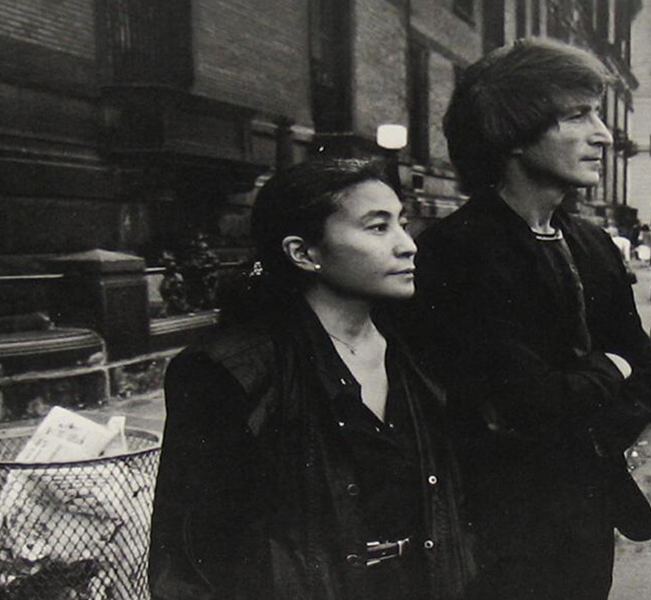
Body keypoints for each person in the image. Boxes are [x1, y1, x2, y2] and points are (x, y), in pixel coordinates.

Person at [405, 38, 651, 599]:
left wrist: (602, 401)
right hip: (496, 527)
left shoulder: (593, 243)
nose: (603, 134)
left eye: (597, 113)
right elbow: (520, 404)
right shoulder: (456, 254)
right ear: (512, 133)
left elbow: (649, 369)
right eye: (578, 116)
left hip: (589, 511)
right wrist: (609, 373)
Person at [149, 157, 474, 600]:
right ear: (303, 253)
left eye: (402, 223)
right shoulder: (230, 371)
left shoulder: (419, 352)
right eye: (378, 227)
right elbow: (188, 560)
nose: (407, 245)